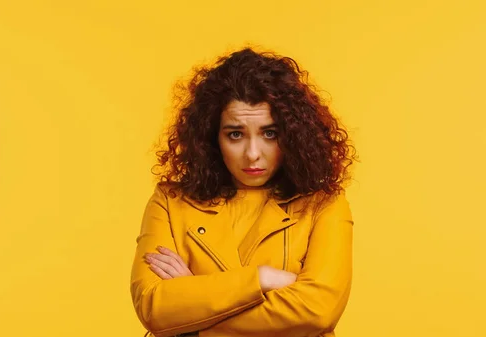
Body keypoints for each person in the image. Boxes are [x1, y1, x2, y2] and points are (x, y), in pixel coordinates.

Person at [130, 47, 357, 337]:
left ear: (293, 135)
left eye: (269, 133)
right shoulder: (170, 202)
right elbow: (153, 307)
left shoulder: (324, 204)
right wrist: (262, 278)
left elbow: (318, 311)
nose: (252, 154)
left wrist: (192, 320)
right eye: (235, 134)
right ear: (212, 137)